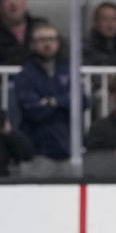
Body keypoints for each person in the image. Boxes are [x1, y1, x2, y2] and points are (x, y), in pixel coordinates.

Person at [14, 20, 86, 176]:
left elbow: (83, 101)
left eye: (51, 39)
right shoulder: (25, 75)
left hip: (68, 151)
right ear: (32, 44)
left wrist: (51, 101)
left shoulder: (69, 71)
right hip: (37, 152)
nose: (47, 44)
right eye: (42, 40)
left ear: (58, 42)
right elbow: (33, 110)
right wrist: (64, 101)